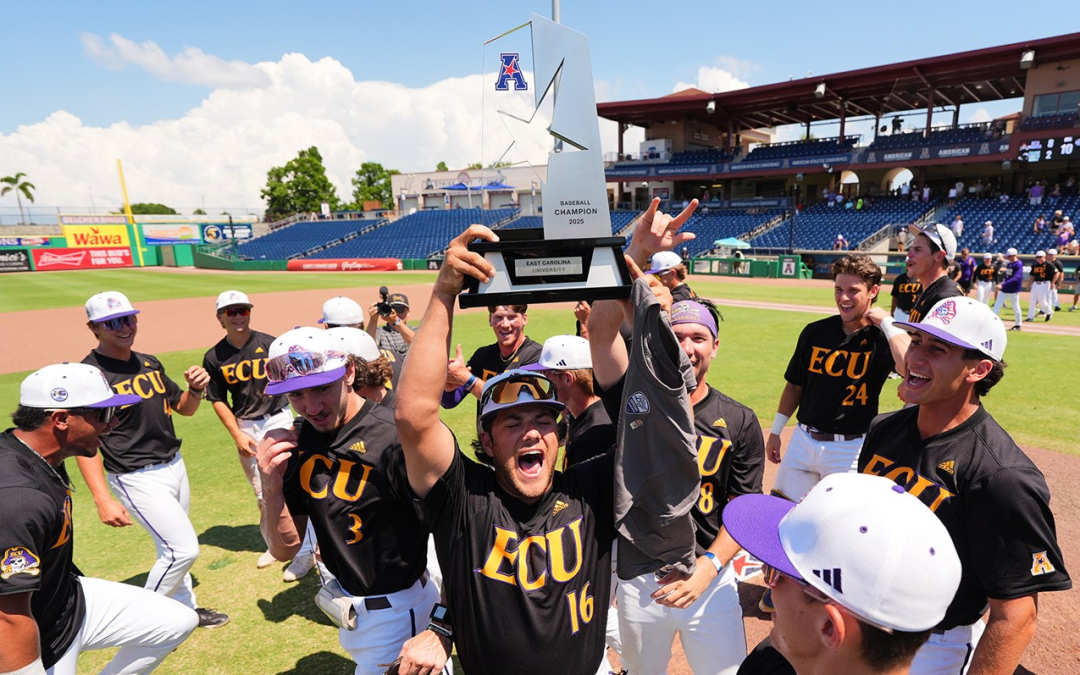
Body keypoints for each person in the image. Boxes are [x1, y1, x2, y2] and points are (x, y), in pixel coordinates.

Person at [393, 203, 700, 675]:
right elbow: (415, 418)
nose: (532, 430)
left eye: (543, 420)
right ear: (488, 442)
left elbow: (615, 365)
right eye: (512, 424)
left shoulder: (592, 489)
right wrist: (443, 295)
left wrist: (631, 254)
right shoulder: (464, 502)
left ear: (560, 434)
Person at [860, 297, 1072, 674]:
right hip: (862, 617)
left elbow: (1016, 616)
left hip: (931, 647)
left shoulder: (1001, 476)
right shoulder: (884, 429)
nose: (915, 356)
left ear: (979, 369)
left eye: (937, 349)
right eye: (917, 340)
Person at [591, 296, 764, 675]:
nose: (687, 347)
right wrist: (628, 283)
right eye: (677, 335)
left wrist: (708, 568)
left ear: (715, 347)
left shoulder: (738, 420)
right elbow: (601, 337)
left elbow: (743, 510)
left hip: (710, 580)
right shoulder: (633, 401)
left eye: (698, 338)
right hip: (641, 581)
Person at [256, 327, 441, 675]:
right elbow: (284, 549)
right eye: (296, 394)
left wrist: (443, 625)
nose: (311, 405)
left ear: (350, 373)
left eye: (322, 387)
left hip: (402, 613)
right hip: (354, 611)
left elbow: (455, 533)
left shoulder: (394, 436)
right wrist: (271, 487)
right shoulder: (298, 442)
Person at [0, 363, 198, 675]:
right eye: (102, 415)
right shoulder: (17, 496)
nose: (114, 422)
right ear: (61, 419)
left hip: (65, 600)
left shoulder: (37, 453)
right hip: (38, 634)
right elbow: (8, 617)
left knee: (178, 621)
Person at [76, 291, 229, 628]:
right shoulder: (88, 376)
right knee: (182, 550)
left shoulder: (149, 362)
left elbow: (184, 408)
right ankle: (145, 623)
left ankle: (184, 612)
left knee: (173, 549)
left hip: (174, 466)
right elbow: (85, 442)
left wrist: (197, 389)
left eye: (128, 318)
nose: (124, 327)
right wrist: (102, 499)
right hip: (134, 475)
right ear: (94, 328)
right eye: (111, 322)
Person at [725, 473, 963, 675]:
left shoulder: (770, 663)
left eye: (777, 574)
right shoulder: (770, 661)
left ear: (829, 627)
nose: (771, 591)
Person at [765, 253, 906, 513]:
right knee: (781, 513)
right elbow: (795, 386)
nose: (843, 298)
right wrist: (775, 431)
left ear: (873, 291)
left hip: (850, 449)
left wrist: (888, 323)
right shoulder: (815, 331)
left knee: (839, 522)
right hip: (803, 440)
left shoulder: (881, 339)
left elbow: (910, 366)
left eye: (853, 291)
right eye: (838, 289)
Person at [200, 290, 307, 575]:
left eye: (242, 310)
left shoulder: (269, 344)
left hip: (278, 418)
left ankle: (306, 549)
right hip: (246, 425)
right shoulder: (214, 357)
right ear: (220, 318)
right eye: (231, 312)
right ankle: (275, 544)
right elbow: (218, 399)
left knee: (294, 483)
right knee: (262, 492)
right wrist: (236, 434)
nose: (238, 316)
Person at [522, 335, 615, 470]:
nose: (540, 381)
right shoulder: (583, 416)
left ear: (567, 379)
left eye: (544, 373)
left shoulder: (592, 438)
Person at [441, 304, 541, 408]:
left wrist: (467, 379)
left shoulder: (535, 356)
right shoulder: (483, 355)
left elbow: (513, 404)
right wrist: (450, 385)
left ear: (524, 319)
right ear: (490, 320)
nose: (505, 324)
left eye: (512, 317)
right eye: (499, 317)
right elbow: (449, 402)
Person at [904, 224, 963, 324]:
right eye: (911, 248)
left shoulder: (946, 297)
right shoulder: (929, 290)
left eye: (917, 249)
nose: (909, 254)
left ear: (938, 255)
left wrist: (885, 323)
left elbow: (928, 340)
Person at [365, 290, 415, 393]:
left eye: (401, 309)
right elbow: (367, 347)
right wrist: (373, 320)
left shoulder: (415, 330)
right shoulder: (380, 331)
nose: (397, 313)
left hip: (411, 381)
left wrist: (397, 321)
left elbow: (417, 344)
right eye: (394, 309)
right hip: (388, 386)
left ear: (408, 312)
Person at [993, 247, 1024, 331]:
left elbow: (1016, 277)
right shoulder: (1010, 264)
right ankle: (991, 322)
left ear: (1014, 255)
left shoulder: (1018, 264)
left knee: (1015, 307)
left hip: (1013, 289)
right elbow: (1009, 275)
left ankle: (1018, 325)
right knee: (997, 306)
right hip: (1005, 289)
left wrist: (1003, 284)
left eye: (1009, 256)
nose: (1008, 258)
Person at [1025, 251, 1055, 323]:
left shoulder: (1049, 264)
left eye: (1040, 257)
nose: (1038, 259)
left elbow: (1056, 273)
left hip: (1045, 283)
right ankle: (1030, 317)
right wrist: (1029, 284)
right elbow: (1032, 275)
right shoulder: (1035, 265)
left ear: (1044, 257)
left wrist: (1053, 283)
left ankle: (1049, 311)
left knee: (1042, 301)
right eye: (1037, 257)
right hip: (1036, 283)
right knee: (1032, 300)